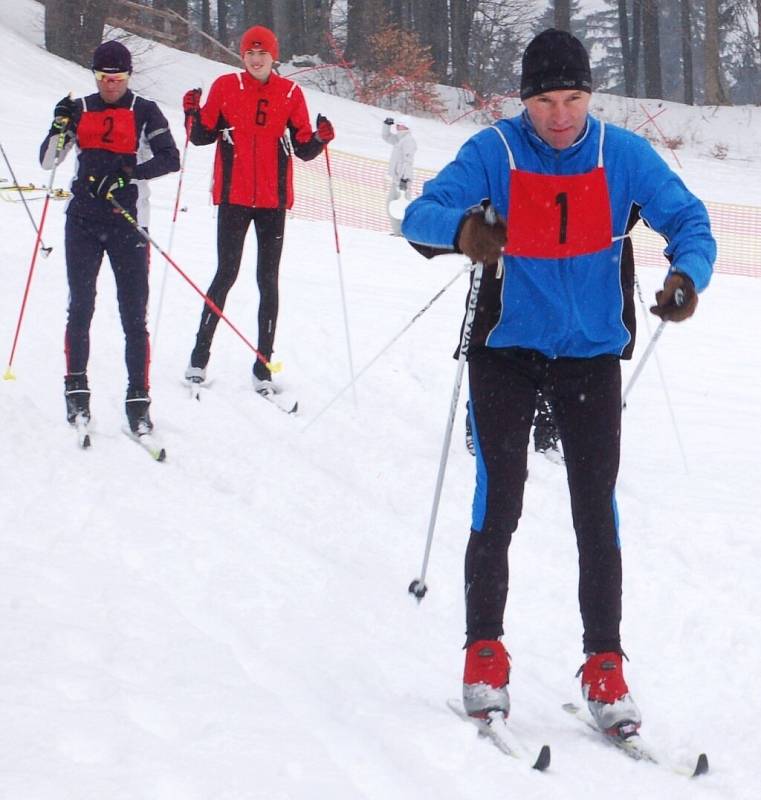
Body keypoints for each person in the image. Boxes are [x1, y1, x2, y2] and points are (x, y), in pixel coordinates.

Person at [402, 29, 715, 736]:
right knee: (499, 498)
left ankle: (604, 662)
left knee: (593, 510)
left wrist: (684, 275)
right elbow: (417, 212)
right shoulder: (496, 151)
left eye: (572, 98)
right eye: (544, 101)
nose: (560, 115)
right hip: (506, 352)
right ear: (525, 101)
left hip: (589, 357)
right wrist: (463, 231)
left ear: (589, 96)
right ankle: (484, 652)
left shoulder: (621, 155)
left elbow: (690, 221)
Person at [182, 25, 334, 396]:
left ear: (273, 57)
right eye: (250, 53)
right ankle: (198, 357)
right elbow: (201, 136)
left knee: (268, 280)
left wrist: (320, 138)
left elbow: (302, 147)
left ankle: (263, 364)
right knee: (226, 274)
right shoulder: (224, 87)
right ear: (242, 56)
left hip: (272, 202)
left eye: (262, 53)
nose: (255, 59)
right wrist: (191, 111)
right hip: (233, 198)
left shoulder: (290, 93)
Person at [39, 40, 180, 435]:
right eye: (104, 78)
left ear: (128, 77)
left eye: (117, 79)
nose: (111, 86)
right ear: (95, 76)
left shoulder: (144, 110)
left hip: (129, 222)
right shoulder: (81, 108)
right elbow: (49, 160)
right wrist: (58, 125)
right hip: (83, 221)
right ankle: (76, 391)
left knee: (134, 316)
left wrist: (126, 173)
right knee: (80, 307)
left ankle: (138, 400)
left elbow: (170, 158)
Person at [382, 116, 417, 235]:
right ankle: (398, 232)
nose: (397, 126)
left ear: (406, 126)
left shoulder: (409, 141)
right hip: (396, 179)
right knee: (390, 205)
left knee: (403, 207)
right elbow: (386, 137)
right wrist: (387, 125)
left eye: (400, 124)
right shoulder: (399, 139)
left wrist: (405, 178)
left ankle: (405, 232)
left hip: (403, 181)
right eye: (397, 124)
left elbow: (408, 161)